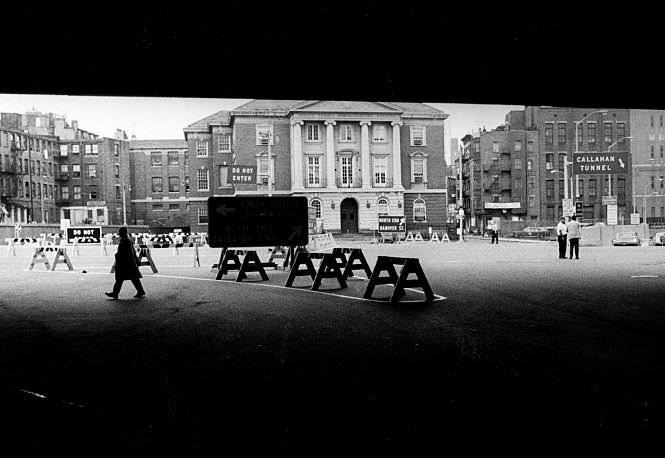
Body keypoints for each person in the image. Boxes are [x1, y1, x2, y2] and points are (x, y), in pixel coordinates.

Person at [105, 226, 145, 299]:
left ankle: (115, 293)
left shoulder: (124, 241)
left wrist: (117, 256)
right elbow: (133, 252)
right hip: (130, 262)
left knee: (120, 278)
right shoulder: (128, 240)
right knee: (133, 278)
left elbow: (124, 253)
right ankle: (140, 291)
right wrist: (136, 260)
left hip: (124, 263)